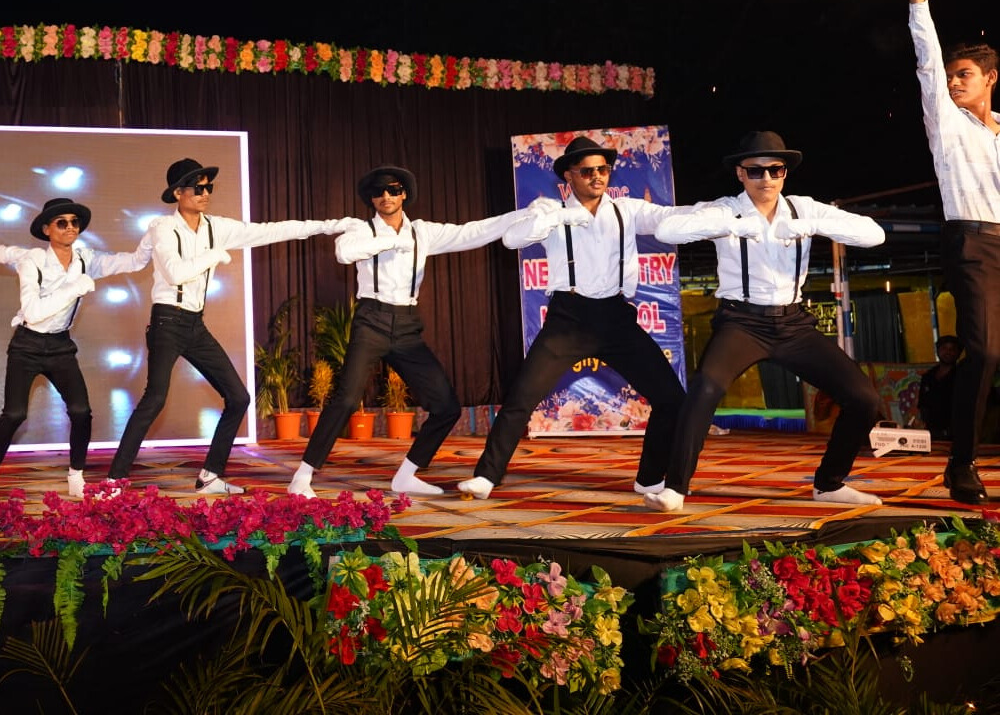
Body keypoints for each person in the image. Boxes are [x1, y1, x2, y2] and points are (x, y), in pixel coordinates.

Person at [456, 135, 719, 502]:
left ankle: (648, 478)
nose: (597, 176)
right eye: (587, 171)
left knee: (672, 398)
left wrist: (718, 210)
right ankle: (487, 476)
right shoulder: (549, 211)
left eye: (603, 169)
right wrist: (556, 216)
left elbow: (670, 216)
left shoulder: (627, 210)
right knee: (521, 397)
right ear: (568, 176)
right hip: (569, 318)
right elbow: (514, 239)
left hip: (616, 317)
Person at [644, 131, 885, 512]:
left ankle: (829, 483)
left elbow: (875, 234)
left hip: (794, 325)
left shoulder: (803, 208)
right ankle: (675, 488)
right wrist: (732, 227)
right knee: (704, 389)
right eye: (756, 171)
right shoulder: (726, 208)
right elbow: (666, 231)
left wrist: (813, 227)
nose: (767, 179)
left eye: (776, 170)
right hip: (741, 323)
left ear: (785, 172)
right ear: (740, 173)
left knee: (864, 398)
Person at [108, 158, 358, 494]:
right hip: (167, 320)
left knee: (238, 397)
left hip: (195, 324)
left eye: (208, 186)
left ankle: (211, 474)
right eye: (197, 187)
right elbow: (176, 273)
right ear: (178, 193)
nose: (205, 192)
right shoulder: (162, 228)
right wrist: (216, 255)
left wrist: (329, 225)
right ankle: (114, 480)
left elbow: (271, 230)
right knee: (155, 398)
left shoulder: (216, 227)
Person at [288, 165, 532, 498]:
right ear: (371, 198)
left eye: (392, 189)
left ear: (404, 194)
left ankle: (407, 474)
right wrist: (388, 239)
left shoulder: (423, 232)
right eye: (378, 191)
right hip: (371, 320)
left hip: (406, 326)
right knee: (346, 398)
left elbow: (473, 232)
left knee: (447, 406)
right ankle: (302, 476)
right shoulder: (362, 229)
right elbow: (344, 253)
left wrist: (524, 213)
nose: (385, 196)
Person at [909, 0, 1000, 502]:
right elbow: (925, 61)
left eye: (964, 75)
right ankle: (961, 463)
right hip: (971, 243)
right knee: (985, 352)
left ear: (991, 79)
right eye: (951, 76)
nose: (953, 82)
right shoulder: (946, 122)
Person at [0, 199, 151, 498]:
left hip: (60, 345)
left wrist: (153, 236)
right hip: (27, 344)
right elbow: (33, 311)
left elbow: (134, 262)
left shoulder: (86, 259)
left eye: (74, 222)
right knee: (14, 414)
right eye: (62, 222)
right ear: (46, 229)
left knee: (81, 412)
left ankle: (75, 476)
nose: (70, 227)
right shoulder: (32, 260)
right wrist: (76, 287)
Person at [918, 334, 962, 441]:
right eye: (944, 348)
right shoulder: (928, 376)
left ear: (958, 353)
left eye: (952, 349)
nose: (948, 352)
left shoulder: (963, 376)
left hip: (955, 433)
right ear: (938, 351)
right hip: (931, 433)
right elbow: (923, 404)